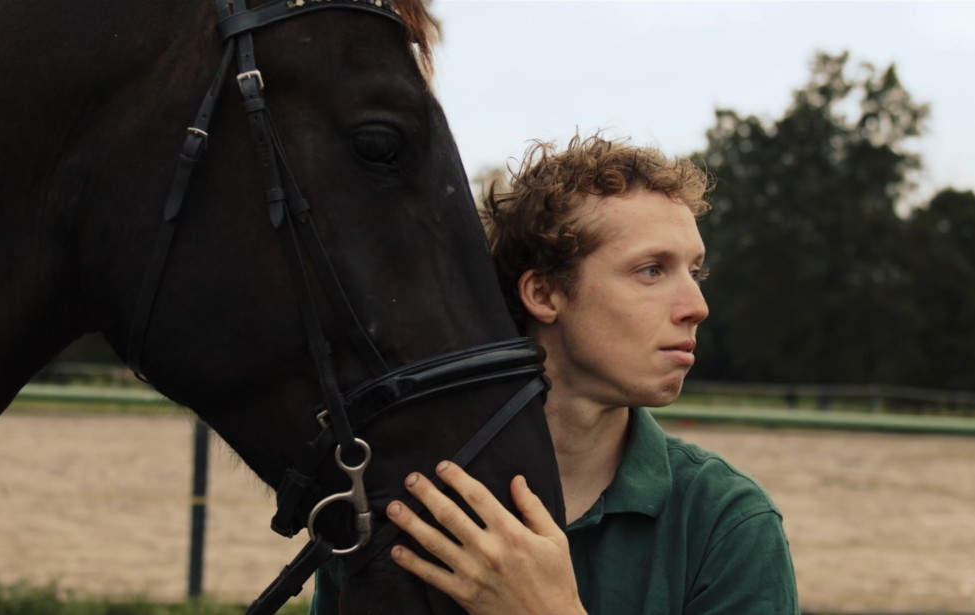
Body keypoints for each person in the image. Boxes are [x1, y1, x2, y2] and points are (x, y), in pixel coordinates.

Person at [311, 134, 799, 614]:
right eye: (651, 270)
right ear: (544, 295)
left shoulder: (726, 520)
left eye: (694, 272)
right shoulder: (411, 506)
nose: (697, 306)